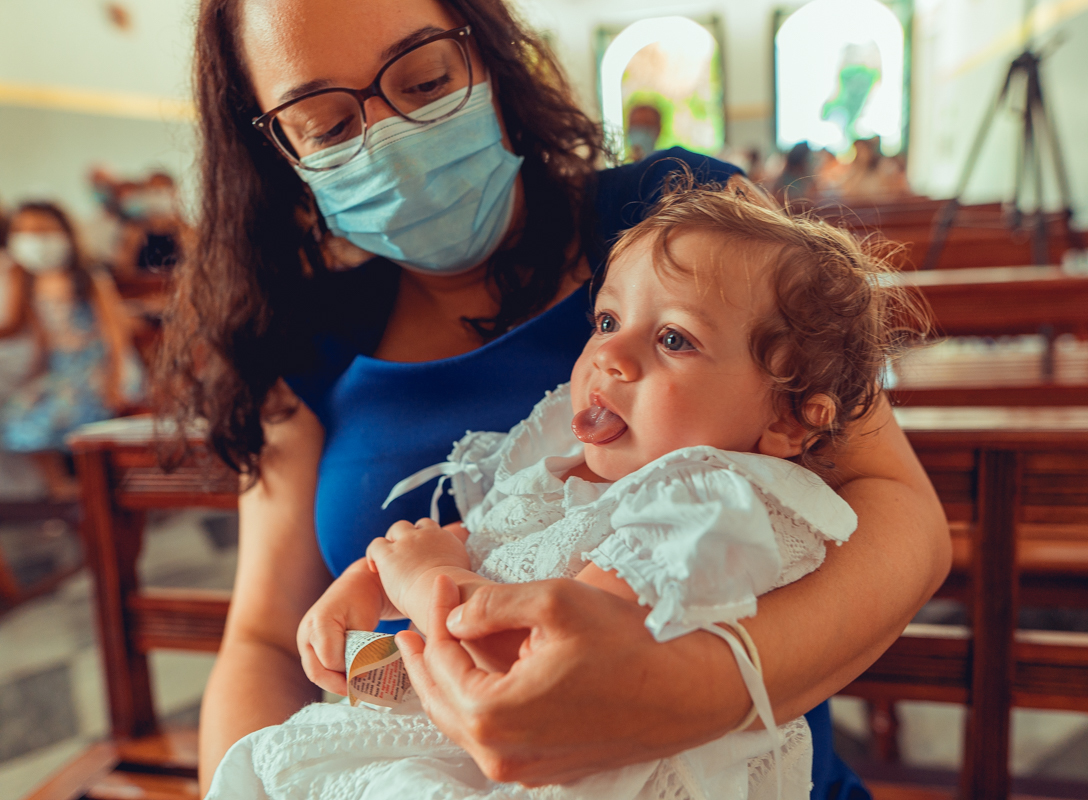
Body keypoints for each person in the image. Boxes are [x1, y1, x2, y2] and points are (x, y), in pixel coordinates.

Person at [159, 0, 951, 795]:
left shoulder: (685, 235)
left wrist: (687, 693)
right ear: (274, 147)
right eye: (328, 125)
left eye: (426, 79)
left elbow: (897, 511)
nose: (390, 137)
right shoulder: (300, 338)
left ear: (489, 56)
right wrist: (371, 661)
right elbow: (265, 641)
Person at [206, 179, 921, 799]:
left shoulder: (711, 509)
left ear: (788, 419)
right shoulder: (569, 466)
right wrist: (374, 601)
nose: (608, 353)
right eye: (608, 320)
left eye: (674, 338)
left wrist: (426, 581)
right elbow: (485, 554)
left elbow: (537, 667)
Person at [1, 202, 136, 499]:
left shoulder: (89, 277)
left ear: (65, 233)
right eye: (22, 231)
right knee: (15, 416)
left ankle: (101, 487)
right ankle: (59, 485)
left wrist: (116, 378)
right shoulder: (23, 281)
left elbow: (116, 333)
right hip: (57, 370)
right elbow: (23, 330)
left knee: (64, 415)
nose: (33, 239)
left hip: (96, 367)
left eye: (42, 230)